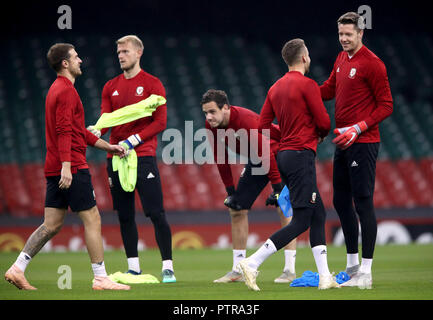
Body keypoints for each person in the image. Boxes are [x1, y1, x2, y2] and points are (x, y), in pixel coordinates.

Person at [4, 43, 130, 291]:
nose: (80, 60)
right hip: (70, 166)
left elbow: (77, 131)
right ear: (65, 63)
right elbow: (63, 131)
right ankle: (101, 278)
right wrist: (67, 166)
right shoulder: (66, 91)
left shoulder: (56, 90)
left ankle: (17, 268)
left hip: (55, 166)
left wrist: (109, 147)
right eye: (75, 57)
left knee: (51, 224)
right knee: (92, 218)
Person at [237, 38, 337, 291]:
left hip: (285, 156)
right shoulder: (307, 84)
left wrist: (284, 136)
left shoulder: (275, 88)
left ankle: (325, 277)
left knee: (318, 213)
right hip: (301, 155)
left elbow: (261, 126)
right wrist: (318, 132)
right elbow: (324, 121)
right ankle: (252, 262)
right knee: (302, 220)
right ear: (304, 58)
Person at [87, 35, 175, 283]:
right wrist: (96, 132)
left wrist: (132, 141)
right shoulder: (109, 86)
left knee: (156, 213)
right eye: (118, 53)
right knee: (124, 215)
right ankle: (133, 268)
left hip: (143, 155)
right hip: (115, 157)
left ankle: (167, 267)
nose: (120, 56)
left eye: (125, 51)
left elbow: (160, 122)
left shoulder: (152, 84)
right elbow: (106, 120)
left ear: (139, 53)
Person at [320, 12, 393, 289]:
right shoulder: (341, 58)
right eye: (340, 34)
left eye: (349, 34)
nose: (344, 39)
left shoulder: (373, 64)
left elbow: (387, 105)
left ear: (361, 33)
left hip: (363, 142)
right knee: (340, 201)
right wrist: (302, 90)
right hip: (343, 142)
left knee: (363, 203)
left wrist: (358, 128)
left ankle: (366, 273)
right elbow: (329, 88)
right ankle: (352, 266)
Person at [201, 89, 297, 284]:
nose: (209, 117)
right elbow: (221, 158)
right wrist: (231, 192)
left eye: (212, 112)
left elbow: (266, 153)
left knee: (283, 206)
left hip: (280, 152)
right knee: (237, 208)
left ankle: (289, 270)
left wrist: (277, 188)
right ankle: (237, 269)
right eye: (205, 113)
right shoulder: (212, 126)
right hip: (259, 158)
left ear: (225, 108)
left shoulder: (245, 120)